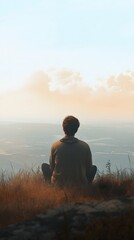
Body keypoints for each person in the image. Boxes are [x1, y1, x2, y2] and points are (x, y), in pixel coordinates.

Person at [41, 116, 97, 189]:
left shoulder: (55, 146)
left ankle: (50, 187)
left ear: (63, 128)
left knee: (44, 166)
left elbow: (52, 168)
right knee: (93, 168)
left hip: (58, 185)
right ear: (76, 129)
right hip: (80, 186)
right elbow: (88, 169)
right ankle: (87, 188)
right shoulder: (84, 146)